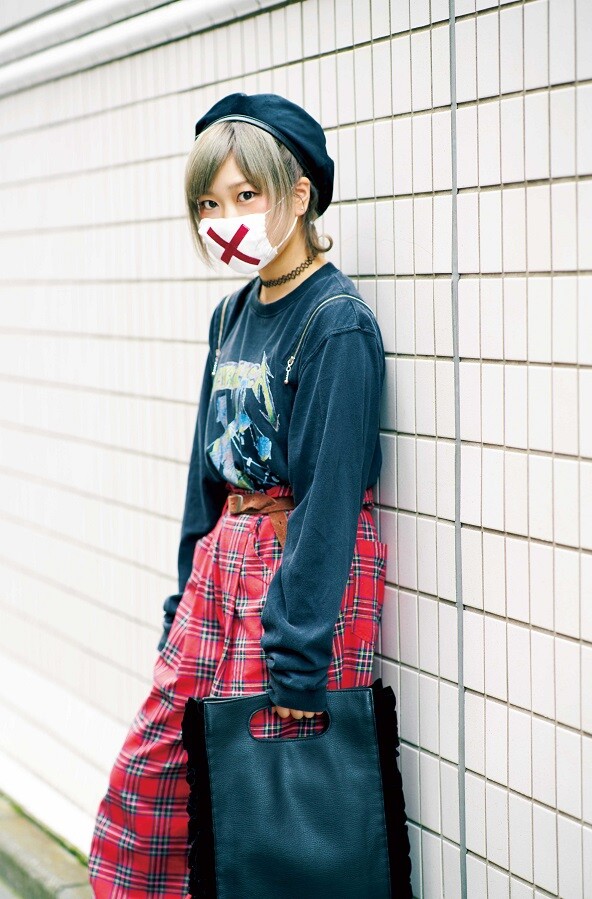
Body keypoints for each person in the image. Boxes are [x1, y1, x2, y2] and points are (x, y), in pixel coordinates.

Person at [87, 92, 389, 898]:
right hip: (223, 560)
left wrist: (298, 665)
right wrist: (180, 605)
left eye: (245, 195)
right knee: (152, 778)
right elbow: (205, 476)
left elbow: (328, 502)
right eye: (209, 204)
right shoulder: (231, 315)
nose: (225, 220)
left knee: (261, 809)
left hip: (294, 576)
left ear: (300, 194)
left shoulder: (335, 324)